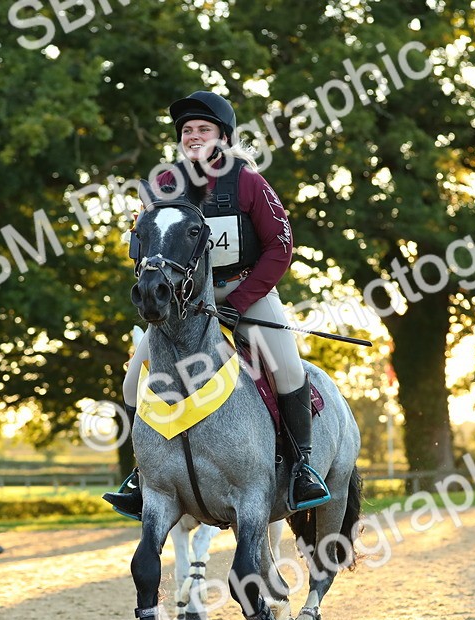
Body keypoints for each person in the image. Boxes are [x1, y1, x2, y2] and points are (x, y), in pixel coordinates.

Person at [103, 90, 331, 520]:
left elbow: (280, 248)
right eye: (187, 131)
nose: (193, 136)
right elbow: (144, 243)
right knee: (133, 382)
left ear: (223, 137)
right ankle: (141, 474)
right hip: (184, 302)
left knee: (287, 369)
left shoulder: (248, 182)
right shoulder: (163, 185)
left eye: (202, 129)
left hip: (248, 291)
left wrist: (242, 301)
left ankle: (302, 468)